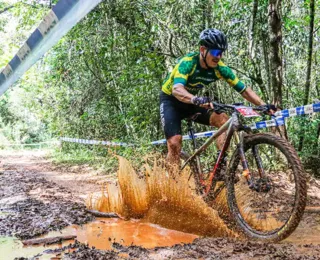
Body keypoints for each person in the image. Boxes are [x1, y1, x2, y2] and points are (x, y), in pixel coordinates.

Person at [159, 28, 273, 169]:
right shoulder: (188, 62)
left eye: (221, 53)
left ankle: (220, 167)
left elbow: (244, 90)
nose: (218, 57)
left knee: (224, 120)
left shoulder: (220, 69)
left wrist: (264, 105)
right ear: (202, 49)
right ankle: (171, 183)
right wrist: (196, 99)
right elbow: (177, 90)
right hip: (171, 101)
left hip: (192, 102)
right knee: (175, 143)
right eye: (214, 52)